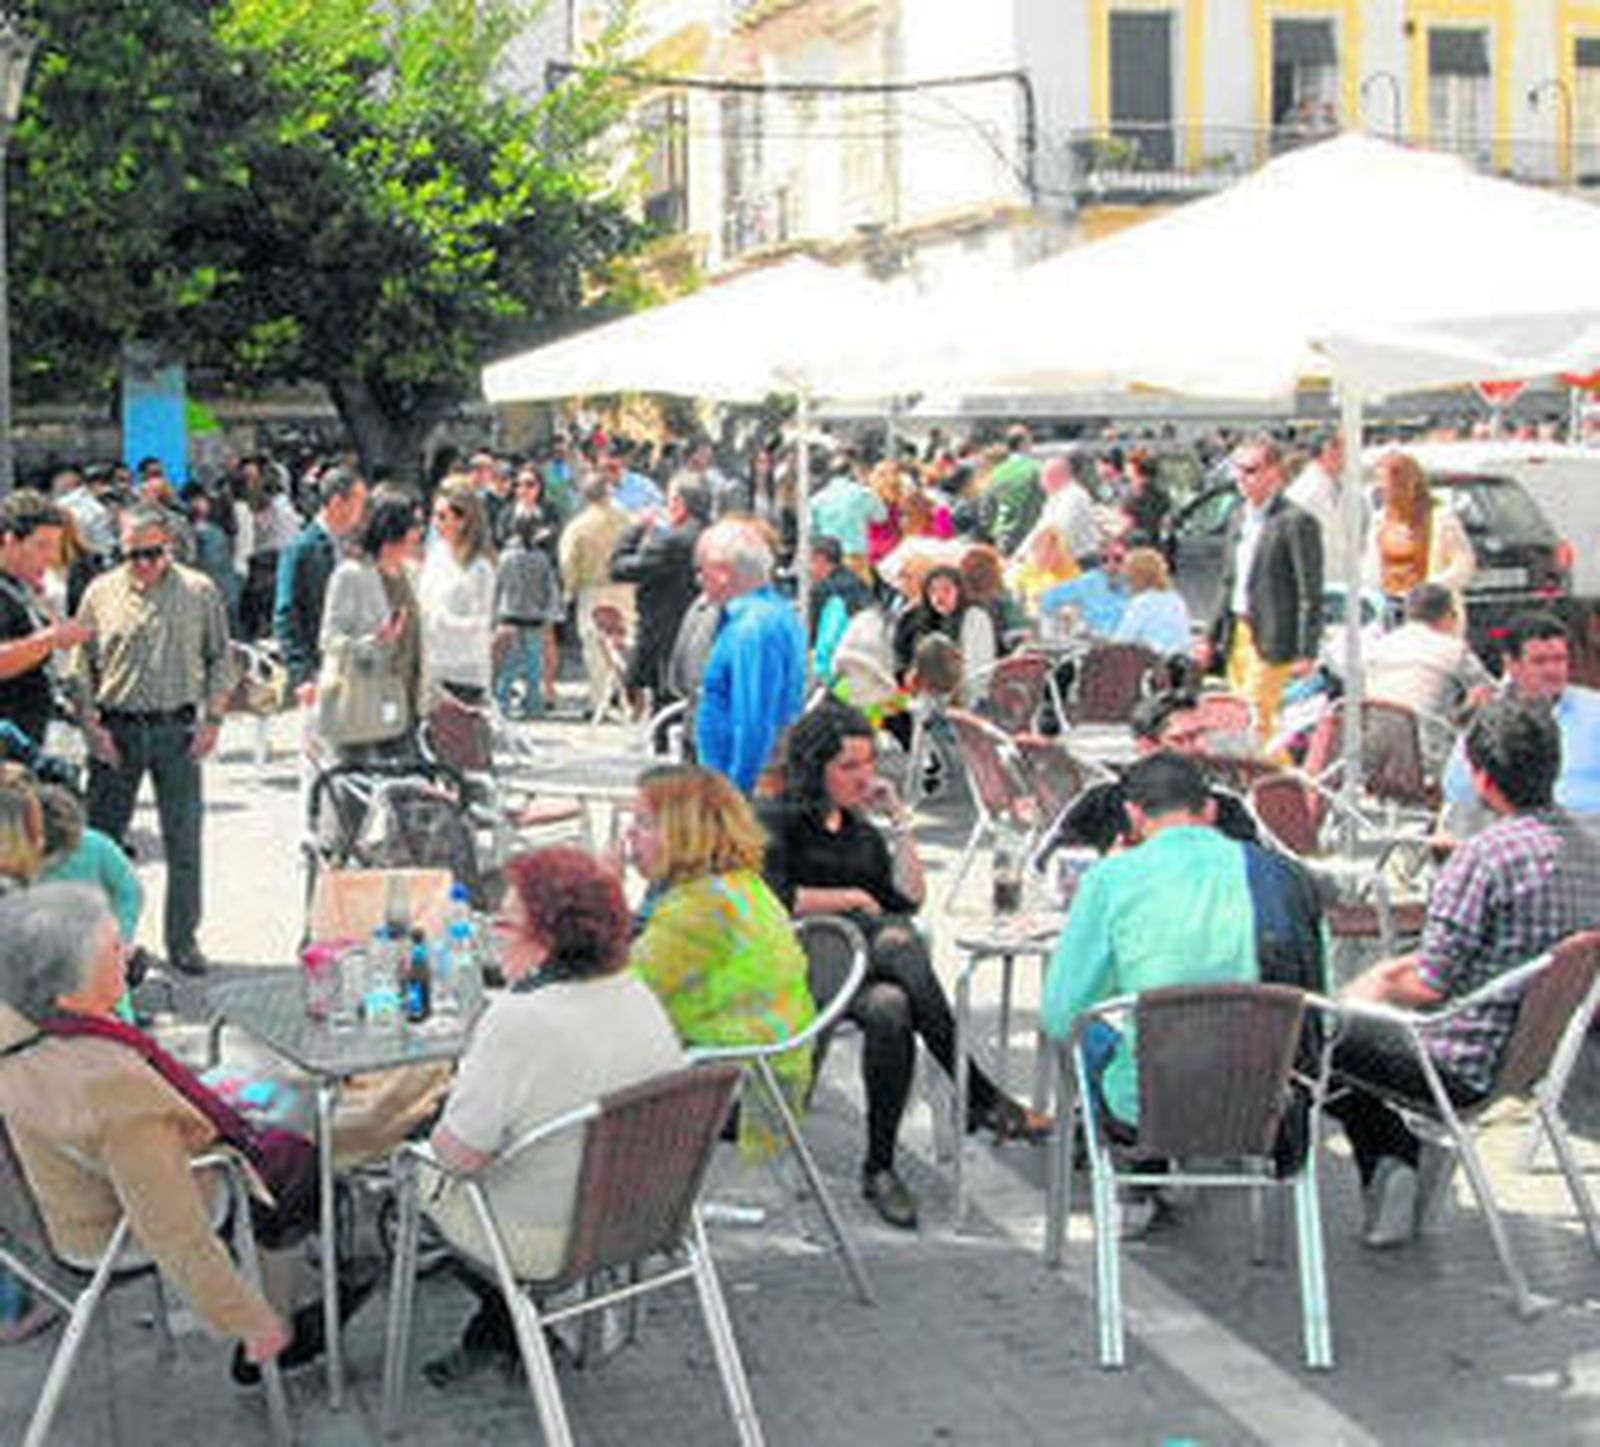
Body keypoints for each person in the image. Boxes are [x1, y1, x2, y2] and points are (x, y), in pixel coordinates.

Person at [0, 883, 329, 1378]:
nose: (130, 953)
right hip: (108, 1225)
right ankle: (284, 1318)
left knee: (265, 1113)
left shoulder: (25, 1035)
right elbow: (171, 1224)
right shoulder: (111, 1087)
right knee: (296, 1161)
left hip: (69, 1194)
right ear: (68, 986)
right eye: (114, 949)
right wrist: (249, 1320)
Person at [760, 701, 1048, 1230]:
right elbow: (773, 898)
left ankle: (880, 1167)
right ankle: (980, 1096)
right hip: (799, 970)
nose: (863, 776)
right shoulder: (777, 819)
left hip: (861, 976)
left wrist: (899, 822)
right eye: (848, 766)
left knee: (892, 1006)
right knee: (897, 943)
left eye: (869, 764)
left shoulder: (861, 831)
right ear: (815, 765)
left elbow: (908, 898)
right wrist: (849, 897)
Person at [1332, 700, 1600, 1247]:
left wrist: (1370, 988)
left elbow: (1429, 985)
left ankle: (1391, 1154)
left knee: (1312, 1035)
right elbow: (1495, 959)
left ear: (1480, 776)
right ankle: (1408, 1159)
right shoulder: (1589, 852)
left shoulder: (1483, 856)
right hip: (1531, 1061)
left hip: (1457, 1063)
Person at [419, 848, 683, 1385]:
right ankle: (504, 1332)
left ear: (547, 940)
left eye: (506, 924)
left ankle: (506, 1326)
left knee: (406, 1177)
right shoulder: (638, 994)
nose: (495, 936)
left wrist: (425, 1133)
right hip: (641, 1215)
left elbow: (459, 1157)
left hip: (547, 1238)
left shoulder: (517, 1019)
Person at [1040, 753, 1325, 1224]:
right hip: (1270, 1108)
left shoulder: (1111, 879)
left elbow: (1059, 1015)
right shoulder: (1284, 876)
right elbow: (1322, 1006)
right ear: (1210, 810)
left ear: (1132, 815)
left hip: (1148, 1107)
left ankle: (1135, 1183)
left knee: (1087, 1036)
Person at [75, 507, 232, 976]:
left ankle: (183, 940)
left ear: (169, 548)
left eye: (151, 553)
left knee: (184, 842)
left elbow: (221, 658)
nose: (142, 564)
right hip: (116, 731)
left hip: (176, 731)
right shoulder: (100, 593)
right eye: (132, 555)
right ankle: (99, 945)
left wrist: (214, 720)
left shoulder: (198, 591)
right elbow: (79, 663)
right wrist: (89, 724)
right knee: (102, 842)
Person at [626, 765, 815, 1152]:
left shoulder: (700, 907)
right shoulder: (735, 883)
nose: (628, 835)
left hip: (736, 1084)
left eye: (643, 824)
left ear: (683, 833)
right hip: (769, 1065)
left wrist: (602, 898)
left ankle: (620, 1201)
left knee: (567, 1059)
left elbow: (620, 997)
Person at [1034, 692, 1261, 859]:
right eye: (1182, 739)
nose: (1197, 748)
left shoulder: (1225, 807)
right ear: (1146, 747)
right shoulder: (1101, 805)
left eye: (1200, 736)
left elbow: (1257, 872)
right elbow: (1050, 865)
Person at [1199, 438, 1324, 742]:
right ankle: (1265, 782)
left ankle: (1280, 785)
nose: (1241, 478)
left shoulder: (1296, 521)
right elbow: (1228, 581)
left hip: (1273, 636)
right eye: (1237, 470)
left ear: (1275, 473)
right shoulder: (1238, 515)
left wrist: (1306, 650)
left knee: (1257, 721)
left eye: (1250, 470)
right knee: (1239, 721)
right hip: (1237, 632)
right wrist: (1209, 637)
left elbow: (1310, 591)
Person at [1441, 610, 1600, 831]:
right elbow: (1457, 789)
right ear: (1511, 665)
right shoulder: (1492, 719)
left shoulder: (1595, 711)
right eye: (1539, 661)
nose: (1552, 670)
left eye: (1559, 659)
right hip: (1514, 836)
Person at [693, 519, 806, 794]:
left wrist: (737, 792)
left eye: (701, 569)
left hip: (747, 778)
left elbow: (754, 718)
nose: (698, 578)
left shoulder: (752, 627)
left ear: (722, 573)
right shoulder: (768, 613)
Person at [318, 491, 424, 762]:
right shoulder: (352, 575)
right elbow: (329, 638)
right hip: (362, 706)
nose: (420, 533)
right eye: (414, 526)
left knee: (404, 793)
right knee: (359, 793)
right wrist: (373, 642)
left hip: (406, 705)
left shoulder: (410, 574)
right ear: (391, 532)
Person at [0, 491, 94, 750]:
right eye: (42, 545)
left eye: (55, 546)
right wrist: (50, 639)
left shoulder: (19, 588)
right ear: (10, 541)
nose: (52, 556)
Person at [609, 477, 709, 708]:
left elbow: (619, 568)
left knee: (666, 709)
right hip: (702, 634)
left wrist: (635, 529)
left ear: (679, 504)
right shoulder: (713, 535)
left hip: (666, 638)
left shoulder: (670, 542)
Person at [273, 465, 368, 706]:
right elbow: (286, 615)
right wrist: (301, 675)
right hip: (320, 669)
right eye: (359, 502)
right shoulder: (301, 549)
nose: (363, 511)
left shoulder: (355, 547)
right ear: (338, 502)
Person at [1365, 582, 1493, 750]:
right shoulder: (1454, 650)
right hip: (1426, 752)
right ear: (1449, 616)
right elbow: (1491, 693)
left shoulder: (1378, 647)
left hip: (1373, 751)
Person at [1364, 451, 1475, 627]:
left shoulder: (1441, 519)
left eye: (1384, 482)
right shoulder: (1378, 521)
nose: (1380, 489)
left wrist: (1427, 590)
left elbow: (1464, 566)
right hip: (1391, 612)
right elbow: (1370, 570)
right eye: (1377, 482)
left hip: (1432, 616)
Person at [558, 473, 634, 718]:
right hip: (625, 587)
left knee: (594, 646)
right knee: (626, 642)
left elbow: (568, 560)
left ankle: (599, 699)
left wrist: (570, 588)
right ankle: (630, 698)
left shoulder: (578, 526)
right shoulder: (626, 519)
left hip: (592, 589)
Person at [418, 478, 496, 710]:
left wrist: (434, 621)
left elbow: (479, 625)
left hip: (463, 676)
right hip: (430, 671)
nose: (435, 523)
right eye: (434, 516)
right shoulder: (436, 555)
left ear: (463, 520)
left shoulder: (479, 568)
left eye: (442, 517)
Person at [890, 565, 998, 707]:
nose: (939, 597)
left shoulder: (974, 618)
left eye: (946, 590)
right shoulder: (915, 619)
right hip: (923, 700)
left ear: (959, 591)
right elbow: (900, 655)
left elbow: (979, 667)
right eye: (933, 591)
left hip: (966, 699)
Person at [492, 511, 563, 720]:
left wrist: (493, 615)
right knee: (534, 664)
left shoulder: (505, 557)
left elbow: (497, 588)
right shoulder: (541, 558)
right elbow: (549, 589)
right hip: (534, 616)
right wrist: (550, 612)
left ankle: (502, 704)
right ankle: (533, 705)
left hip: (508, 615)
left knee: (508, 664)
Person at [1287, 431, 1354, 579]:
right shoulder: (1304, 492)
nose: (1344, 456)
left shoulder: (1339, 485)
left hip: (1337, 575)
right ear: (1326, 453)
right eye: (1339, 450)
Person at [810, 450, 886, 580]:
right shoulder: (863, 494)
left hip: (827, 559)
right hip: (855, 556)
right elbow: (881, 516)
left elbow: (812, 530)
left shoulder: (817, 499)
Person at [1111, 545, 1192, 655]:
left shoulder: (1141, 603)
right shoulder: (1176, 600)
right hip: (1175, 662)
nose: (1126, 581)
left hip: (1149, 665)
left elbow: (1121, 642)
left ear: (1139, 576)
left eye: (1128, 576)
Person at [982, 425, 1043, 556]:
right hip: (1029, 537)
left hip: (1003, 538)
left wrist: (993, 531)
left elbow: (987, 506)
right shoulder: (1035, 470)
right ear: (1023, 444)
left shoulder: (997, 472)